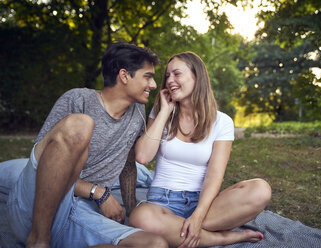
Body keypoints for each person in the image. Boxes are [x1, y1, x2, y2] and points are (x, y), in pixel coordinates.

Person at [7, 42, 168, 248]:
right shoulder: (78, 99)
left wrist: (130, 209)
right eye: (148, 76)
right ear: (124, 75)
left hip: (79, 215)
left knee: (155, 244)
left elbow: (127, 164)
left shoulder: (136, 113)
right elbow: (43, 164)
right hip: (34, 209)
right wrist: (98, 192)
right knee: (82, 124)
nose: (153, 85)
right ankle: (38, 241)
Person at [129, 52, 272, 248]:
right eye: (167, 76)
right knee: (141, 217)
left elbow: (214, 176)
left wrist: (197, 216)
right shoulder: (161, 113)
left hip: (205, 205)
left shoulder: (222, 122)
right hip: (163, 203)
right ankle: (222, 238)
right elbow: (143, 156)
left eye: (176, 74)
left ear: (197, 77)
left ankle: (181, 231)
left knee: (260, 190)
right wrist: (164, 112)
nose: (170, 80)